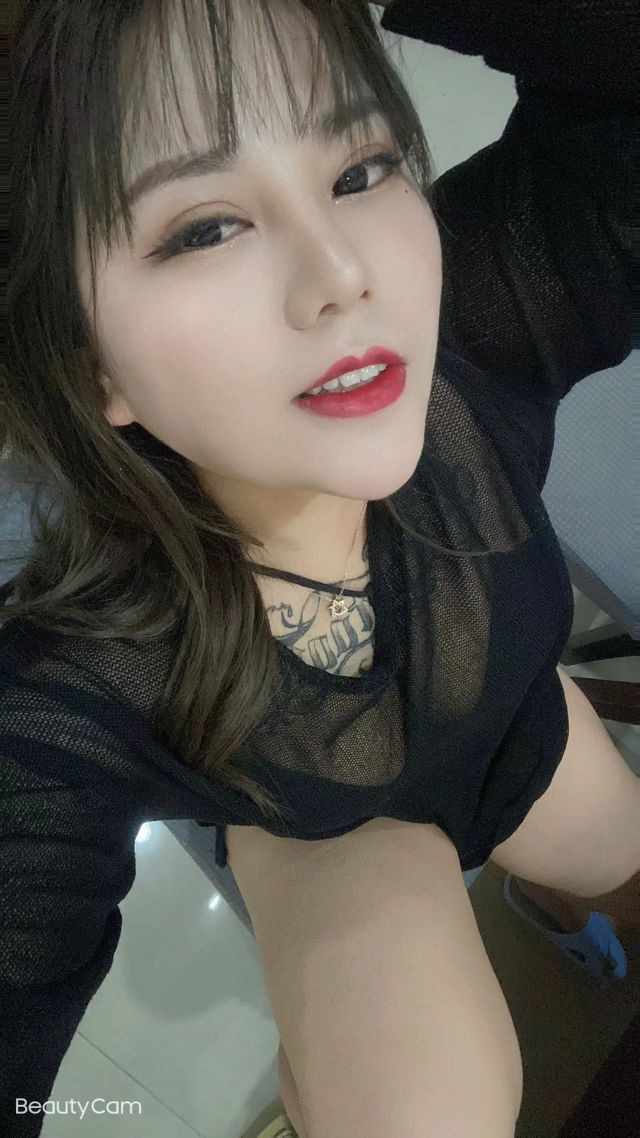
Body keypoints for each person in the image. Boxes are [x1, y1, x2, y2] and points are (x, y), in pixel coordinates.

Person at [2, 1, 638, 1135]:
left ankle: (551, 908)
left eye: (359, 169)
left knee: (624, 858)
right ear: (90, 361)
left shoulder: (477, 332)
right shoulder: (74, 686)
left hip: (519, 726)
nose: (341, 273)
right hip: (328, 842)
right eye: (205, 228)